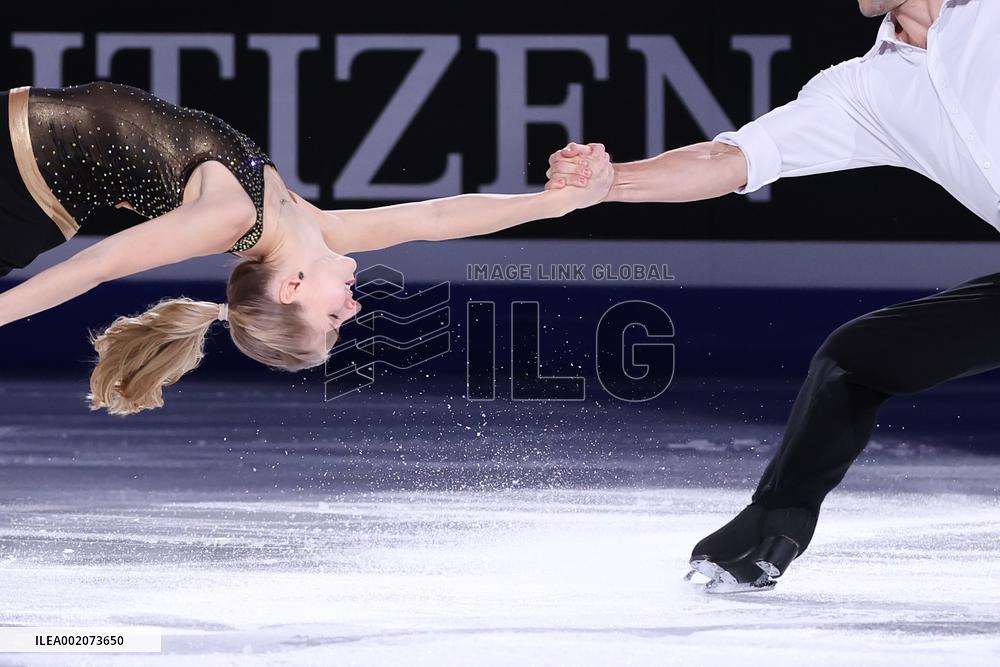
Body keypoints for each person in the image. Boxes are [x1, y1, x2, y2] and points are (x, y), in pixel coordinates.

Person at [545, 0, 999, 592]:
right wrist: (610, 183)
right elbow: (728, 159)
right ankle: (771, 527)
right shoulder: (864, 89)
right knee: (859, 358)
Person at [0, 81, 613, 416]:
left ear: (290, 288)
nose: (353, 312)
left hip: (17, 181)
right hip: (25, 167)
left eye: (331, 321)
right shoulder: (304, 221)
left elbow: (99, 265)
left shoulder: (231, 218)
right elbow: (434, 216)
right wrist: (551, 204)